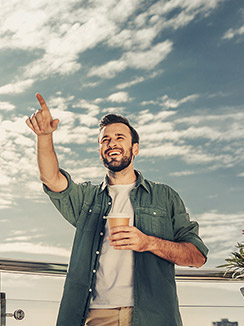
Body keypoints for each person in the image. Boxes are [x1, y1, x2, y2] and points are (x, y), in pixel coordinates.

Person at [25, 93, 208, 326]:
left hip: (154, 317)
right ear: (100, 149)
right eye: (105, 140)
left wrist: (148, 242)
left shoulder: (165, 196)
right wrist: (44, 137)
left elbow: (197, 256)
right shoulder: (88, 198)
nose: (112, 143)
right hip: (95, 315)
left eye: (120, 137)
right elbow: (51, 178)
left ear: (135, 148)